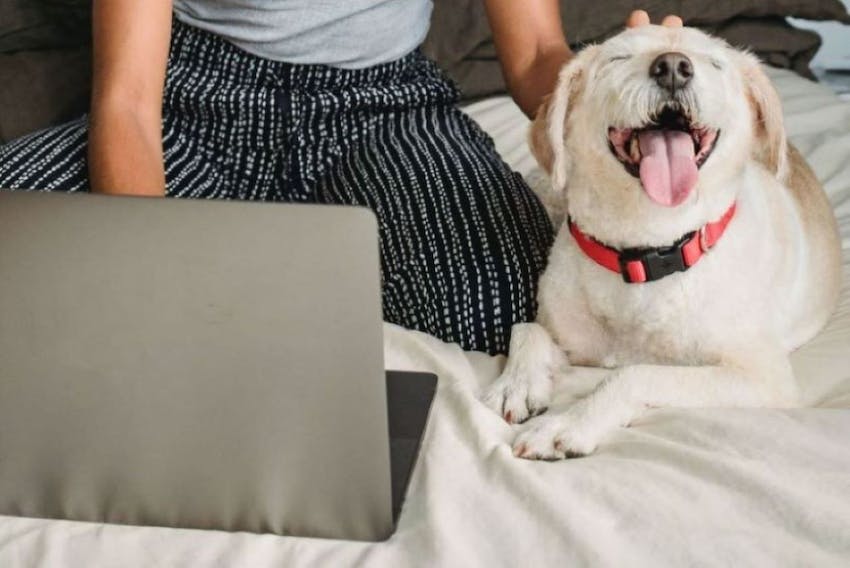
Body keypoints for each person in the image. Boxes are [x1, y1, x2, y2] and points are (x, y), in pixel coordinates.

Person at [0, 2, 680, 355]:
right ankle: (264, 263)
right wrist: (158, 284)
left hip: (381, 108)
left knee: (504, 307)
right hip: (195, 105)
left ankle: (289, 253)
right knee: (20, 244)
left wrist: (618, 83)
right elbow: (126, 102)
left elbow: (535, 55)